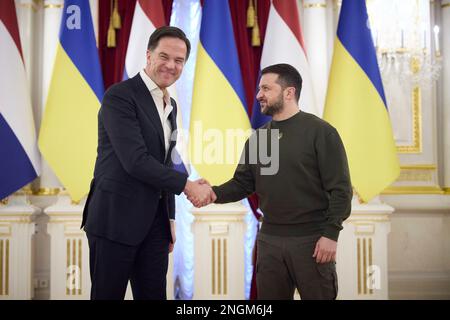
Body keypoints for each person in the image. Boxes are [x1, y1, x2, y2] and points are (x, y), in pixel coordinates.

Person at [197, 63, 352, 300]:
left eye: (266, 88)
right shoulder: (258, 138)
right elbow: (242, 184)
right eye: (260, 88)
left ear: (289, 92)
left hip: (312, 241)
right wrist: (212, 192)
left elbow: (341, 190)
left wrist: (331, 234)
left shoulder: (321, 132)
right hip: (269, 240)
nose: (259, 94)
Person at [81, 26, 211, 300]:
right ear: (148, 55)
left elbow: (167, 164)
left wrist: (170, 217)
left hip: (155, 226)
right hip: (114, 220)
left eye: (179, 60)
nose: (171, 65)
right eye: (164, 56)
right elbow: (135, 161)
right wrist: (187, 186)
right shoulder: (120, 96)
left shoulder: (171, 105)